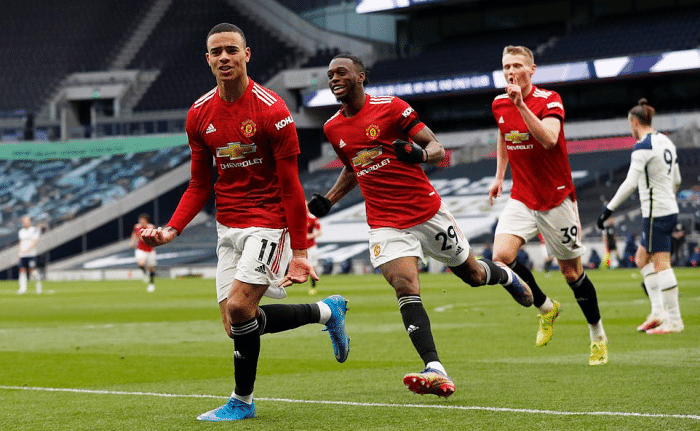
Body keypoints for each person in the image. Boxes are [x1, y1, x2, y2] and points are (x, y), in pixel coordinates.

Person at [140, 23, 350, 422]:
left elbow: (291, 186)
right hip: (228, 226)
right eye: (217, 51)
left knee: (239, 308)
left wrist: (300, 252)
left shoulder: (272, 110)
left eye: (232, 50)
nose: (224, 57)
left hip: (268, 222)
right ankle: (326, 311)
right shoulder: (199, 114)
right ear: (208, 60)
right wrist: (171, 229)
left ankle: (242, 400)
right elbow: (199, 184)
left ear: (246, 54)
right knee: (236, 323)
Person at [308, 53, 533, 398]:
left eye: (341, 72)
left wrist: (419, 155)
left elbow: (437, 148)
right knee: (404, 284)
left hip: (426, 211)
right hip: (384, 221)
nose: (334, 78)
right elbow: (354, 166)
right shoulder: (332, 127)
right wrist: (330, 199)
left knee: (473, 275)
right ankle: (435, 368)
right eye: (330, 75)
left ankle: (504, 275)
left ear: (361, 76)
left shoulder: (391, 108)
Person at [489, 45, 608, 365]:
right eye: (506, 66)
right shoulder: (499, 103)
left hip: (555, 198)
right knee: (501, 258)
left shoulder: (549, 99)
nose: (510, 71)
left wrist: (521, 105)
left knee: (572, 274)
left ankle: (597, 335)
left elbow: (549, 139)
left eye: (517, 65)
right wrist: (499, 176)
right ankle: (546, 308)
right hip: (522, 196)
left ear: (532, 69)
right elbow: (504, 135)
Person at [597, 98, 684, 334]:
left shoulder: (643, 146)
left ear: (634, 122)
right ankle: (658, 312)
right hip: (667, 208)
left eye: (630, 125)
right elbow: (677, 179)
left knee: (661, 264)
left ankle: (674, 320)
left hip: (656, 212)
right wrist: (668, 196)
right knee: (642, 259)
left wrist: (608, 210)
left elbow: (629, 183)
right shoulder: (666, 141)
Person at [130, 213, 157, 292]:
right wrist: (132, 242)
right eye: (140, 220)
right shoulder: (137, 227)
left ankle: (151, 284)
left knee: (151, 267)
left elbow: (154, 237)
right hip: (140, 249)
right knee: (141, 263)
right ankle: (145, 273)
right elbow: (134, 233)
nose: (141, 222)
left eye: (143, 220)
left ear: (146, 221)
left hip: (150, 249)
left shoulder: (151, 227)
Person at [17, 216, 42, 294]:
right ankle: (23, 288)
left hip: (31, 254)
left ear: (29, 222)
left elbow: (35, 241)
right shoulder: (21, 231)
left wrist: (28, 249)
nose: (25, 223)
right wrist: (19, 252)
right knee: (22, 270)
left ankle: (38, 285)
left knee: (32, 271)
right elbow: (21, 242)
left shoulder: (34, 230)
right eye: (24, 221)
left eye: (27, 221)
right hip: (23, 255)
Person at [306, 203, 322, 291]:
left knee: (313, 264)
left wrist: (310, 235)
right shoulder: (297, 217)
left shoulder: (312, 218)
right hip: (299, 246)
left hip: (311, 246)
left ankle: (313, 278)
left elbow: (319, 231)